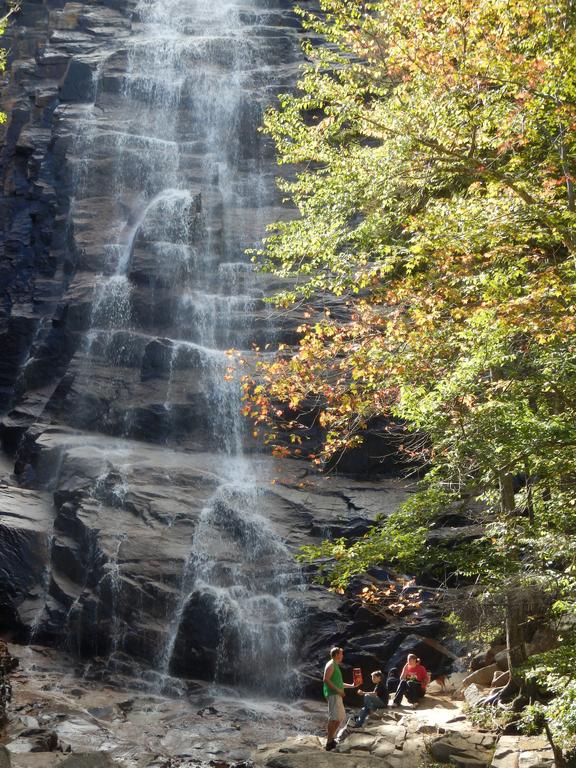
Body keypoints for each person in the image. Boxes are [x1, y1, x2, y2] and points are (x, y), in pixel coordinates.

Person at [323, 647, 355, 750]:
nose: (342, 656)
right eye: (341, 654)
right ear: (336, 654)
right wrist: (338, 691)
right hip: (333, 694)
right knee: (333, 718)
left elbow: (339, 683)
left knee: (340, 717)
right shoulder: (331, 664)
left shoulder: (335, 665)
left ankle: (331, 738)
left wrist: (352, 685)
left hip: (337, 694)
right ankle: (329, 742)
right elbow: (326, 679)